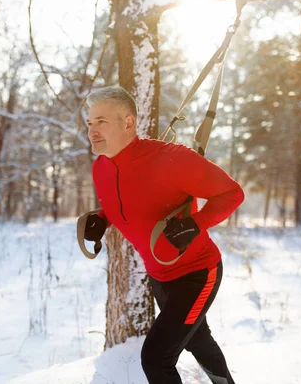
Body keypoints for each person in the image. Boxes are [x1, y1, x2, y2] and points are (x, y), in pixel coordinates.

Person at [83, 86, 244, 384]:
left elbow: (232, 193)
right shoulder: (101, 168)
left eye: (101, 121)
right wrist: (103, 219)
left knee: (156, 360)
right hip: (159, 274)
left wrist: (197, 223)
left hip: (197, 273)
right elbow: (132, 201)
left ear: (128, 123)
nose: (92, 131)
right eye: (90, 123)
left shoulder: (172, 159)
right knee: (197, 339)